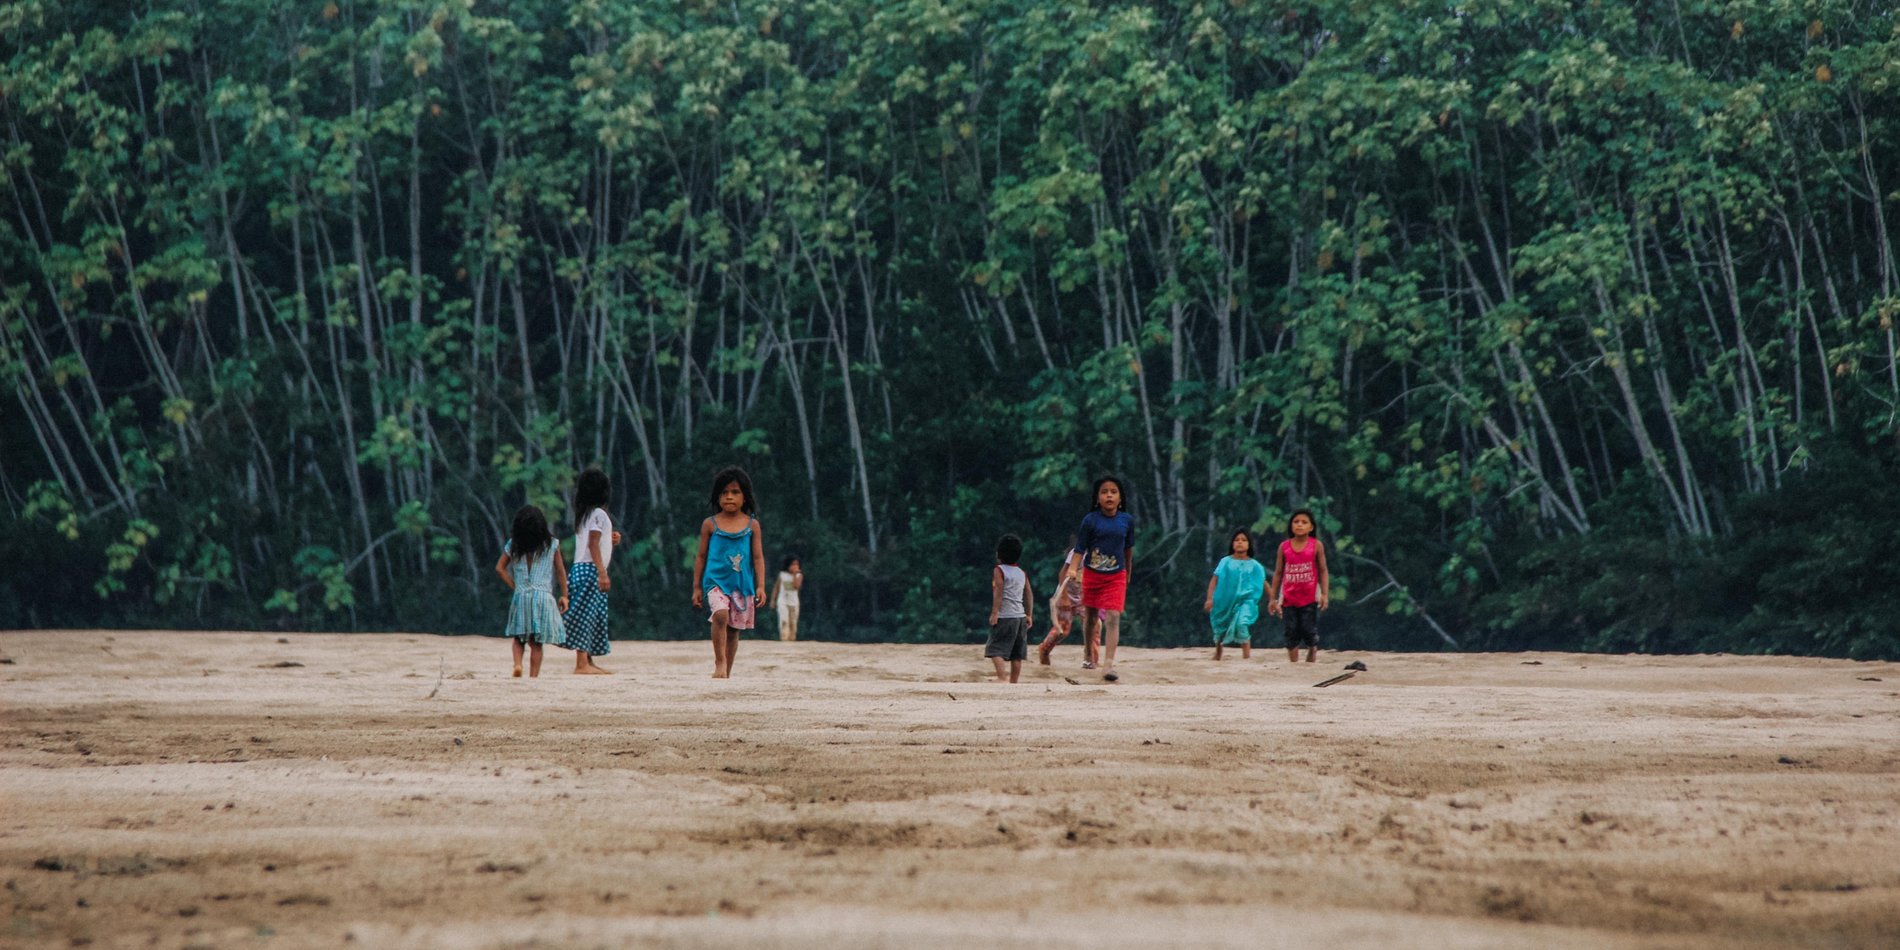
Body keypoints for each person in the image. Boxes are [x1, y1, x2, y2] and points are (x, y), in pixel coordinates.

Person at [1058, 476, 1133, 682]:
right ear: (1097, 498)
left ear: (1120, 498)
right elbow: (1080, 549)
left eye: (1113, 491)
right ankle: (1088, 654)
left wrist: (1128, 572)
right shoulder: (1090, 521)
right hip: (1092, 575)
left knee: (1113, 617)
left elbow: (1128, 550)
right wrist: (1073, 568)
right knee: (1090, 618)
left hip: (1116, 575)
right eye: (1104, 492)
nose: (1109, 495)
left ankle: (1108, 664)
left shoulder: (1127, 521)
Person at [693, 466, 765, 679]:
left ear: (745, 497)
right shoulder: (710, 524)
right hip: (715, 582)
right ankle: (719, 662)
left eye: (735, 492)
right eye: (724, 493)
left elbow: (758, 557)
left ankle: (727, 671)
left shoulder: (752, 525)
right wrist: (696, 587)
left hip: (741, 585)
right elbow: (701, 557)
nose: (729, 497)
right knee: (721, 614)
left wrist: (760, 585)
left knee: (734, 629)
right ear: (717, 496)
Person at [495, 505, 569, 677]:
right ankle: (533, 676)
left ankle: (518, 664)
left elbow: (499, 568)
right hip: (543, 597)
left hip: (522, 596)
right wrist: (564, 595)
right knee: (536, 643)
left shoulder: (513, 545)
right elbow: (560, 571)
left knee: (518, 637)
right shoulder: (552, 545)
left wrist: (515, 586)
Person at [562, 467, 620, 675]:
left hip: (580, 569)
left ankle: (588, 660)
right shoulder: (599, 514)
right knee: (587, 615)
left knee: (592, 614)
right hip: (591, 571)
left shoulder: (584, 515)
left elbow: (597, 539)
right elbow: (593, 544)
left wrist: (611, 539)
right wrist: (602, 573)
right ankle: (581, 664)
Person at [1268, 509, 1330, 663]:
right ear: (1290, 526)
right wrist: (1272, 598)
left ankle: (1312, 651)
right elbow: (1278, 572)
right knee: (1291, 631)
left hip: (1309, 596)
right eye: (1296, 522)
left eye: (1304, 522)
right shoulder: (1284, 547)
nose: (1300, 525)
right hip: (1289, 597)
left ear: (1311, 527)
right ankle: (1294, 665)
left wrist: (1324, 594)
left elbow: (1323, 570)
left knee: (1308, 629)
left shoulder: (1316, 546)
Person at [1204, 527, 1268, 661]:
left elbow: (1263, 582)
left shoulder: (1255, 565)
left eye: (1244, 540)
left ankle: (1246, 656)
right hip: (1224, 602)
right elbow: (1214, 580)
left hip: (1246, 601)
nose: (1240, 542)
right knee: (1220, 627)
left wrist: (1273, 600)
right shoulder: (1225, 562)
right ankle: (1218, 653)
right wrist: (1210, 599)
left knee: (1242, 623)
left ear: (1249, 544)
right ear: (1232, 544)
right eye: (1237, 540)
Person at [985, 535, 1034, 683]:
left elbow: (999, 591)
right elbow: (1029, 593)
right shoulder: (1021, 573)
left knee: (994, 649)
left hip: (1005, 616)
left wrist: (995, 612)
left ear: (999, 554)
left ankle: (1001, 677)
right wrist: (1029, 614)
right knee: (1016, 654)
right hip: (1020, 617)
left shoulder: (999, 570)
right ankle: (1014, 682)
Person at [1035, 542, 1090, 666]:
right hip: (1067, 594)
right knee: (1062, 630)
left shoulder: (1099, 553)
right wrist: (1064, 596)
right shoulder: (1078, 552)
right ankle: (1045, 649)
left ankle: (1091, 660)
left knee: (1093, 626)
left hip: (1083, 597)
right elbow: (1062, 573)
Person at [770, 554, 803, 642]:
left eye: (797, 564)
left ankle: (792, 639)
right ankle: (784, 639)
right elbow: (776, 587)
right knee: (784, 620)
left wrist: (795, 574)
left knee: (793, 622)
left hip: (794, 602)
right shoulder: (782, 574)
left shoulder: (799, 576)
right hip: (782, 601)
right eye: (793, 564)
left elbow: (796, 586)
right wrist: (773, 600)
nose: (795, 566)